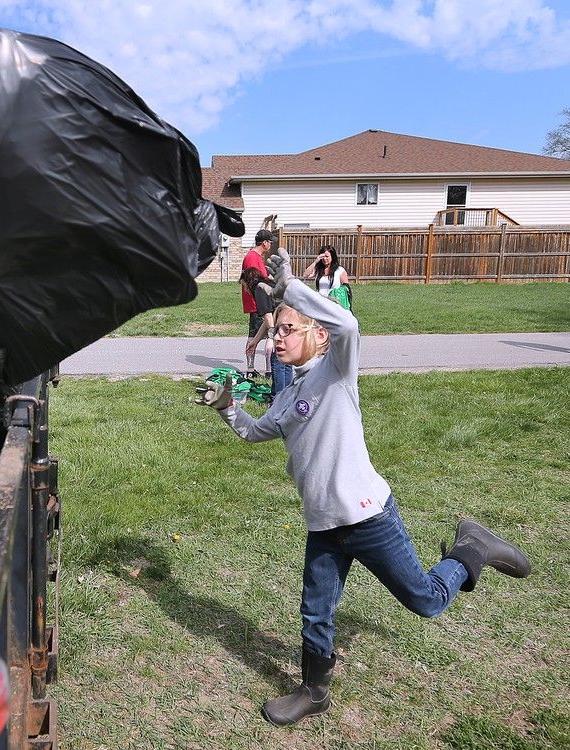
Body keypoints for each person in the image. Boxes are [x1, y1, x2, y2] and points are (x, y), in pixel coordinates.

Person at [195, 248, 531, 727]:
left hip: (369, 517)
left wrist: (292, 290)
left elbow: (350, 326)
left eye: (289, 329)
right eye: (277, 331)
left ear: (319, 336)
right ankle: (314, 691)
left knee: (428, 600)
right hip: (324, 525)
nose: (279, 338)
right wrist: (227, 405)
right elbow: (253, 431)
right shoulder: (288, 397)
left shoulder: (337, 374)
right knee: (315, 611)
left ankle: (472, 549)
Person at [240, 266, 294, 397]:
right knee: (286, 362)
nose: (245, 289)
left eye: (244, 285)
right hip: (292, 323)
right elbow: (267, 319)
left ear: (249, 281)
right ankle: (285, 395)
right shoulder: (266, 285)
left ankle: (278, 398)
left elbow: (269, 319)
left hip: (284, 326)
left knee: (278, 362)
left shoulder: (259, 289)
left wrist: (275, 338)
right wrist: (254, 342)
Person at [240, 229, 273, 376]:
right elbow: (253, 282)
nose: (271, 245)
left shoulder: (257, 257)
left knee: (265, 334)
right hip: (257, 303)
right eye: (270, 242)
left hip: (261, 301)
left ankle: (262, 369)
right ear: (264, 243)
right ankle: (253, 369)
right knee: (257, 335)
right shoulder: (252, 258)